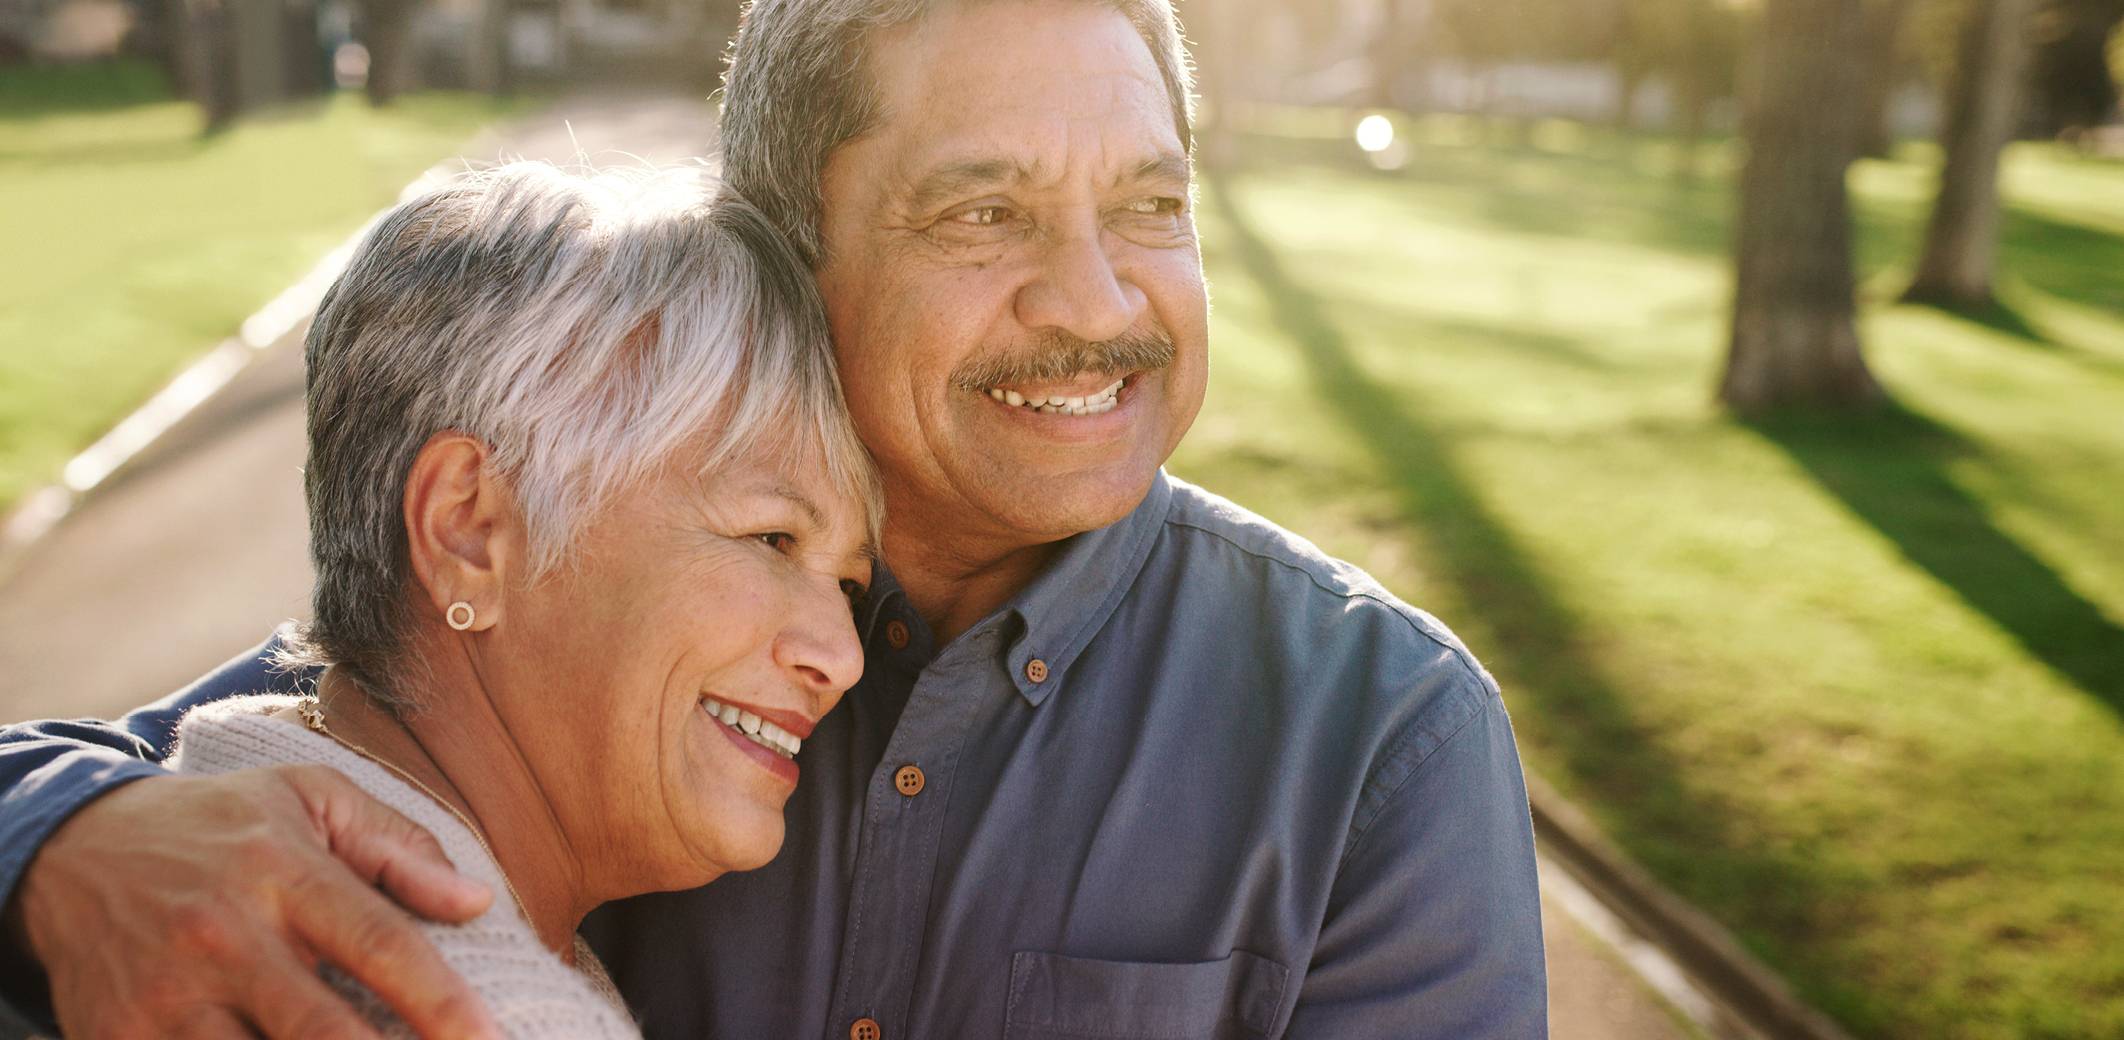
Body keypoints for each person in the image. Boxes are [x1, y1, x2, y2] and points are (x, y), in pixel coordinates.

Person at [0, 1, 1550, 1037]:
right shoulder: (590, 580)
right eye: (983, 211)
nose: (1099, 301)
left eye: (1151, 207)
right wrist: (58, 841)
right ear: (788, 248)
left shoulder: (1378, 738)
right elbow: (299, 737)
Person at [124, 161, 882, 1035]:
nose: (843, 655)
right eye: (771, 538)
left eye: (851, 584)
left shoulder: (182, 820)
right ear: (469, 532)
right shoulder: (473, 1011)